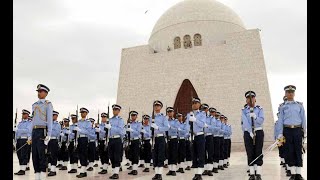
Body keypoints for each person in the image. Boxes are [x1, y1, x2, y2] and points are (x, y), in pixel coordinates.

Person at [276, 85, 306, 180]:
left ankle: (298, 173)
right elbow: (280, 120)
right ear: (285, 94)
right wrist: (280, 133)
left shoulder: (299, 105)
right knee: (290, 151)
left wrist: (305, 131)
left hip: (297, 130)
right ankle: (292, 173)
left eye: (292, 92)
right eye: (288, 92)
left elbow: (303, 119)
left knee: (298, 150)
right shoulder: (282, 107)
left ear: (294, 93)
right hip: (287, 130)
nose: (290, 94)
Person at [30, 84, 53, 180]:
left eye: (40, 91)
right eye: (38, 91)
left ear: (46, 93)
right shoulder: (34, 105)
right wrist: (30, 134)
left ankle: (42, 177)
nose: (38, 93)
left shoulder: (48, 104)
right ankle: (37, 177)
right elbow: (32, 121)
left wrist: (49, 134)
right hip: (34, 131)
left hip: (42, 130)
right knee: (34, 155)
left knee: (42, 155)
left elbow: (50, 120)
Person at [241, 91, 264, 180]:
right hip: (248, 133)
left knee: (258, 152)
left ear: (255, 99)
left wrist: (255, 117)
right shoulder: (243, 110)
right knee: (250, 153)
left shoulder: (260, 109)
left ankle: (258, 173)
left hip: (258, 131)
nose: (250, 100)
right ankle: (251, 173)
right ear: (246, 100)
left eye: (252, 98)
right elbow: (245, 123)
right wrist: (250, 132)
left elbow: (261, 121)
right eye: (248, 98)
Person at [187, 97, 206, 180]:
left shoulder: (202, 114)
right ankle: (195, 173)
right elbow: (187, 126)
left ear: (199, 104)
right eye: (193, 103)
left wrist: (195, 120)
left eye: (196, 103)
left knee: (200, 154)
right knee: (194, 155)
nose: (194, 104)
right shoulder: (189, 114)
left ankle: (199, 174)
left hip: (200, 136)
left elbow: (202, 124)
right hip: (193, 136)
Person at [151, 100, 170, 180]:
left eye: (158, 105)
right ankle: (156, 173)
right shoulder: (151, 117)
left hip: (161, 137)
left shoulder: (163, 117)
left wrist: (158, 128)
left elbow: (167, 127)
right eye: (155, 105)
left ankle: (160, 174)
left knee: (160, 156)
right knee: (155, 156)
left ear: (161, 107)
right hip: (154, 138)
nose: (156, 107)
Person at [108, 104, 125, 179]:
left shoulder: (120, 120)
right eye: (113, 109)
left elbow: (121, 131)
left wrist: (111, 127)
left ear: (119, 111)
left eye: (116, 110)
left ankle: (116, 173)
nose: (114, 111)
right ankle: (114, 171)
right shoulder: (110, 120)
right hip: (110, 139)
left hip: (117, 139)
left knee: (116, 156)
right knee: (111, 156)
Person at [14, 109, 32, 175]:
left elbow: (27, 130)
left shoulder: (30, 123)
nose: (23, 115)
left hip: (25, 139)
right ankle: (21, 168)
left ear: (27, 115)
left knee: (24, 154)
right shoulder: (20, 123)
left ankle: (23, 169)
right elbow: (17, 132)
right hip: (19, 139)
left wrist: (18, 130)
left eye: (24, 114)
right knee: (19, 154)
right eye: (22, 114)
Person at [74, 107, 92, 178]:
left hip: (84, 138)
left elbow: (88, 131)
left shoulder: (88, 122)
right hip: (79, 139)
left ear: (86, 113)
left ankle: (83, 171)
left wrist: (80, 130)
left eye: (83, 112)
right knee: (80, 154)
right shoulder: (78, 122)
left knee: (84, 154)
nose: (82, 114)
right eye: (81, 113)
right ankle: (82, 169)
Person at [127, 110, 142, 175]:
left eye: (134, 115)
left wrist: (132, 130)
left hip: (136, 140)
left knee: (135, 155)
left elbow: (138, 132)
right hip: (130, 141)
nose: (133, 117)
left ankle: (135, 170)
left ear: (136, 116)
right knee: (131, 155)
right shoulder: (129, 124)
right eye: (132, 115)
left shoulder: (139, 123)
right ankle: (133, 168)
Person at [165, 107, 179, 176]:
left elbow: (176, 129)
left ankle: (174, 170)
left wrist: (169, 127)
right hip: (168, 139)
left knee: (174, 154)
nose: (169, 113)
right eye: (168, 112)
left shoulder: (176, 121)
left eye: (171, 112)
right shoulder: (165, 121)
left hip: (174, 138)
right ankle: (170, 169)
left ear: (173, 113)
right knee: (169, 154)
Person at [47, 110, 62, 176]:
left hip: (53, 140)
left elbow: (56, 133)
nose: (52, 116)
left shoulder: (57, 124)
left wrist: (49, 131)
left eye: (54, 115)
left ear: (56, 116)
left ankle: (53, 170)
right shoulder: (48, 123)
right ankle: (49, 168)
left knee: (53, 155)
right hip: (47, 140)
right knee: (48, 155)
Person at [201, 104, 214, 176]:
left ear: (207, 110)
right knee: (203, 153)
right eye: (203, 109)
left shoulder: (211, 118)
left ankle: (210, 169)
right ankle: (205, 169)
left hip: (209, 136)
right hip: (202, 136)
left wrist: (207, 126)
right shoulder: (200, 117)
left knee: (210, 152)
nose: (204, 110)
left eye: (205, 109)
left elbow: (213, 127)